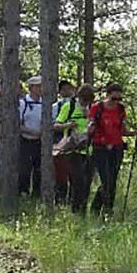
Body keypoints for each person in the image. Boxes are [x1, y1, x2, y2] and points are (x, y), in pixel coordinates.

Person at [88, 83, 130, 216]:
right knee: (106, 180)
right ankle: (97, 208)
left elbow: (122, 129)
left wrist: (136, 133)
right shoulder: (97, 108)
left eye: (119, 99)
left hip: (116, 148)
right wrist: (90, 130)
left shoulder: (121, 109)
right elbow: (91, 125)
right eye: (113, 99)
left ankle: (107, 210)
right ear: (107, 95)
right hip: (100, 147)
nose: (116, 102)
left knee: (112, 180)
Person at [54, 84, 95, 213]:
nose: (85, 103)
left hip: (89, 150)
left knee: (87, 182)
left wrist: (89, 118)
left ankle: (82, 209)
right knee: (77, 179)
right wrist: (69, 125)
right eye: (83, 100)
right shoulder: (69, 107)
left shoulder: (93, 109)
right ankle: (74, 209)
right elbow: (56, 125)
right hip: (72, 150)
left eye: (87, 101)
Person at [16, 76, 49, 197]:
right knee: (24, 170)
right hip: (25, 141)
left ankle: (36, 195)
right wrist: (33, 132)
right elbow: (17, 125)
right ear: (31, 88)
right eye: (38, 86)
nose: (40, 89)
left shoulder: (45, 104)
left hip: (40, 143)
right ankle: (22, 193)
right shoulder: (22, 103)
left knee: (39, 170)